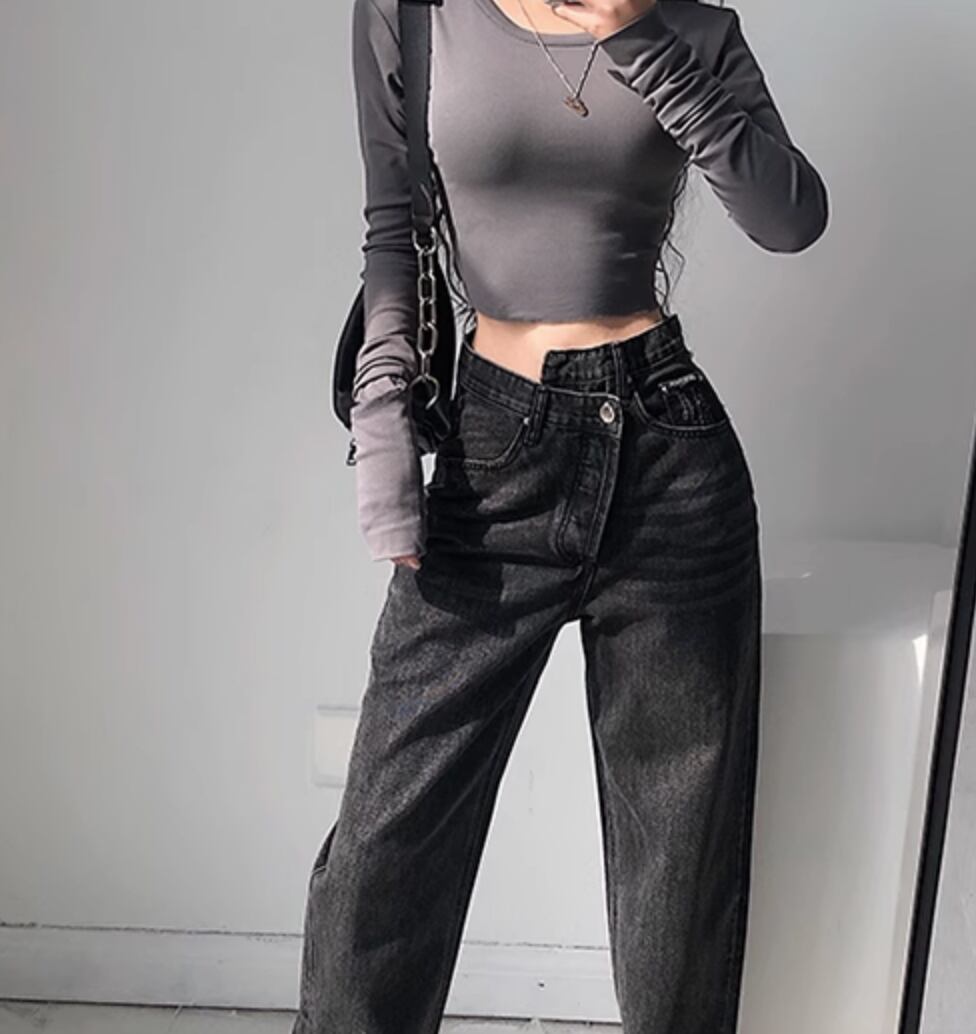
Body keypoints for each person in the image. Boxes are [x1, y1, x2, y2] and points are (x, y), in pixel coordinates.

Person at [292, 1, 828, 1032]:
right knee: (381, 863)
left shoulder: (690, 27)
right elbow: (392, 231)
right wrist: (384, 419)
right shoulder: (414, 15)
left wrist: (636, 36)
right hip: (493, 454)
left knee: (677, 891)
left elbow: (791, 216)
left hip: (669, 451)